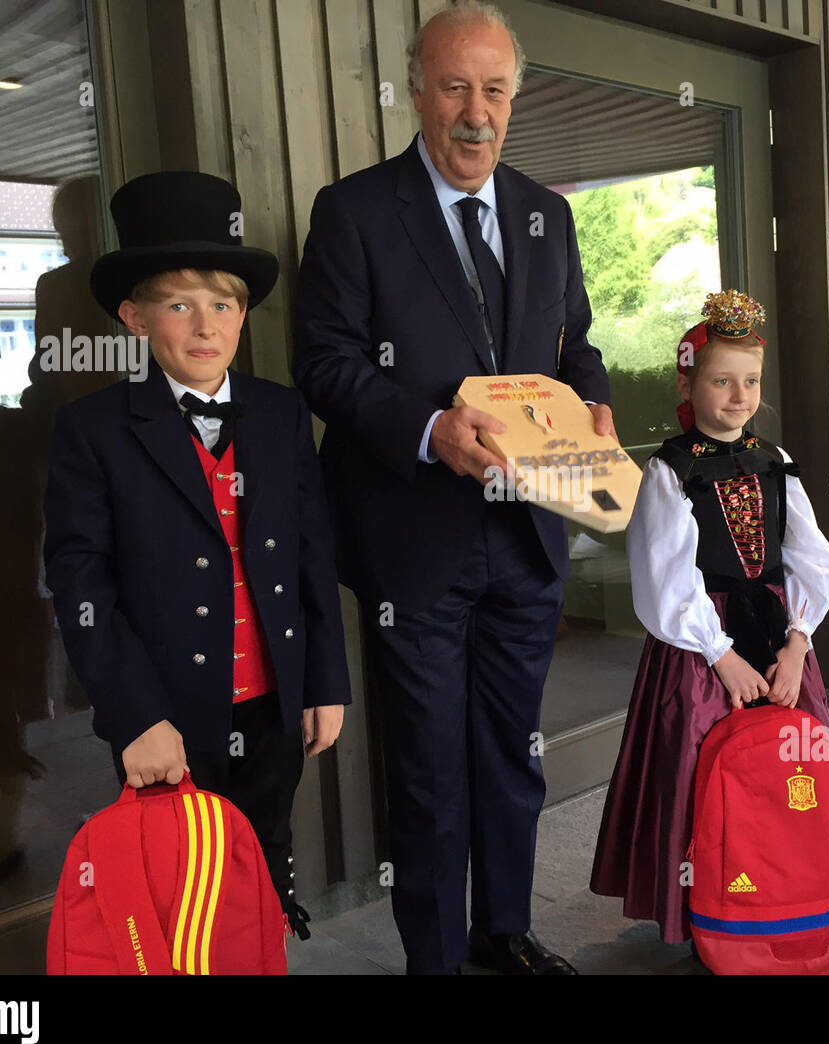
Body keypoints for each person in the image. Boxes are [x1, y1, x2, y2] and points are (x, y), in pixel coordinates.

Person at [293, 0, 613, 974]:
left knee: (512, 752)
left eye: (495, 89)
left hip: (527, 540)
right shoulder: (352, 211)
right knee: (428, 771)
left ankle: (502, 931)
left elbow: (576, 346)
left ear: (513, 98)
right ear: (416, 90)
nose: (475, 112)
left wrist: (591, 404)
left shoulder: (545, 213)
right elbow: (324, 362)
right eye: (454, 86)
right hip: (413, 546)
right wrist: (429, 429)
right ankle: (433, 960)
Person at [42, 171, 351, 939]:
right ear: (134, 317)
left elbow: (313, 552)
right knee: (178, 884)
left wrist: (324, 681)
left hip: (273, 701)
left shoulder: (280, 414)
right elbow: (81, 584)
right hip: (168, 717)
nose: (204, 324)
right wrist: (134, 714)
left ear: (243, 315)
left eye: (222, 303)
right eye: (178, 303)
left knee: (262, 853)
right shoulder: (96, 431)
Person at [589, 290, 829, 947]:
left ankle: (787, 892)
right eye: (721, 380)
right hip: (700, 649)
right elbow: (663, 578)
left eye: (751, 381)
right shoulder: (670, 472)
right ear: (688, 382)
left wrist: (797, 645)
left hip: (779, 638)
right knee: (701, 776)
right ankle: (707, 915)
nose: (738, 396)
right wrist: (721, 655)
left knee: (787, 776)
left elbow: (813, 559)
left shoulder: (776, 464)